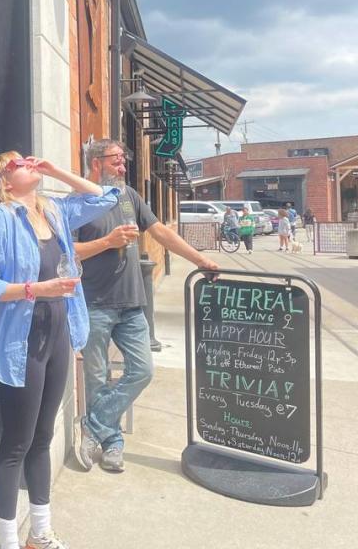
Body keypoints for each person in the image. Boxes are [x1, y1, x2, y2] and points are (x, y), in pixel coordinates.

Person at [0, 151, 118, 549]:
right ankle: (7, 541)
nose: (29, 162)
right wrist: (37, 290)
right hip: (23, 340)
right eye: (19, 162)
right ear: (4, 180)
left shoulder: (53, 210)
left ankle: (39, 533)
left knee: (43, 437)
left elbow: (106, 197)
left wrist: (55, 171)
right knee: (16, 443)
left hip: (60, 333)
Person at [72, 139, 218, 474]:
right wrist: (108, 242)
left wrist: (199, 259)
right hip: (94, 303)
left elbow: (162, 233)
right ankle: (113, 444)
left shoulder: (130, 197)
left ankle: (91, 426)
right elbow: (68, 252)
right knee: (95, 377)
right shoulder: (78, 201)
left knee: (143, 370)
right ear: (96, 162)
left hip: (132, 303)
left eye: (124, 161)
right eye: (116, 161)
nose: (123, 167)